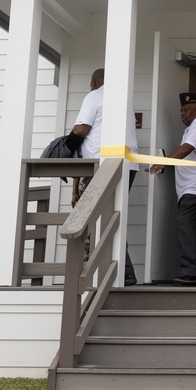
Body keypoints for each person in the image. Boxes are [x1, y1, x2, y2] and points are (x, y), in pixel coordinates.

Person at [71, 68, 140, 285]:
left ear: (94, 82)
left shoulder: (94, 96)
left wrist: (67, 141)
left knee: (95, 221)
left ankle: (106, 276)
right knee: (109, 219)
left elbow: (81, 130)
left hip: (103, 167)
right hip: (127, 166)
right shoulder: (123, 100)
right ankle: (125, 274)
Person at [150, 93, 196, 286]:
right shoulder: (193, 127)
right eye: (181, 110)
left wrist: (164, 162)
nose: (182, 114)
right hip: (190, 188)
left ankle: (192, 272)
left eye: (186, 110)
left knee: (186, 227)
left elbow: (187, 148)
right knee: (194, 231)